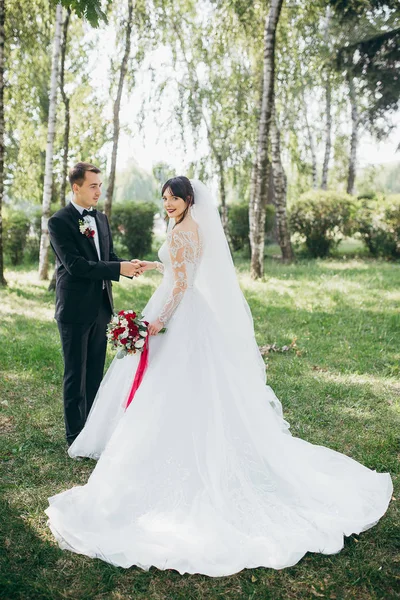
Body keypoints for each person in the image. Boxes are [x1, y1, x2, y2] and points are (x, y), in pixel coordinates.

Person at [46, 177, 392, 577]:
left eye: (175, 198)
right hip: (195, 312)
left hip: (175, 311)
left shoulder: (182, 231)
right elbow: (182, 271)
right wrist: (157, 266)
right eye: (165, 199)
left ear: (190, 199)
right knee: (196, 385)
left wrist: (156, 321)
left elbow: (179, 285)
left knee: (169, 386)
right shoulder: (191, 228)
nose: (169, 204)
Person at [48, 162, 142, 448]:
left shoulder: (100, 219)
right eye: (93, 186)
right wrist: (118, 269)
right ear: (76, 187)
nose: (99, 191)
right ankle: (75, 437)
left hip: (101, 306)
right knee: (75, 374)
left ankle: (92, 432)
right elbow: (76, 266)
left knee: (94, 375)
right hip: (74, 308)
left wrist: (130, 265)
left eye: (100, 185)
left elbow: (108, 255)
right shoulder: (59, 222)